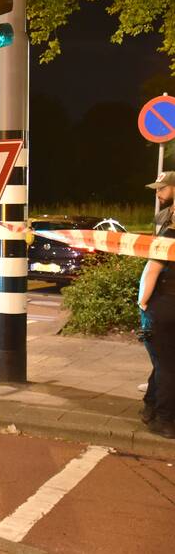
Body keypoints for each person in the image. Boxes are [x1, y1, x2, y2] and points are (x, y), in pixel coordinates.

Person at [137, 171, 175, 438]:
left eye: (162, 189)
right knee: (166, 362)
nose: (157, 193)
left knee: (166, 364)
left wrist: (143, 302)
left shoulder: (169, 234)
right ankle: (151, 408)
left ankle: (162, 418)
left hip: (164, 305)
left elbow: (152, 270)